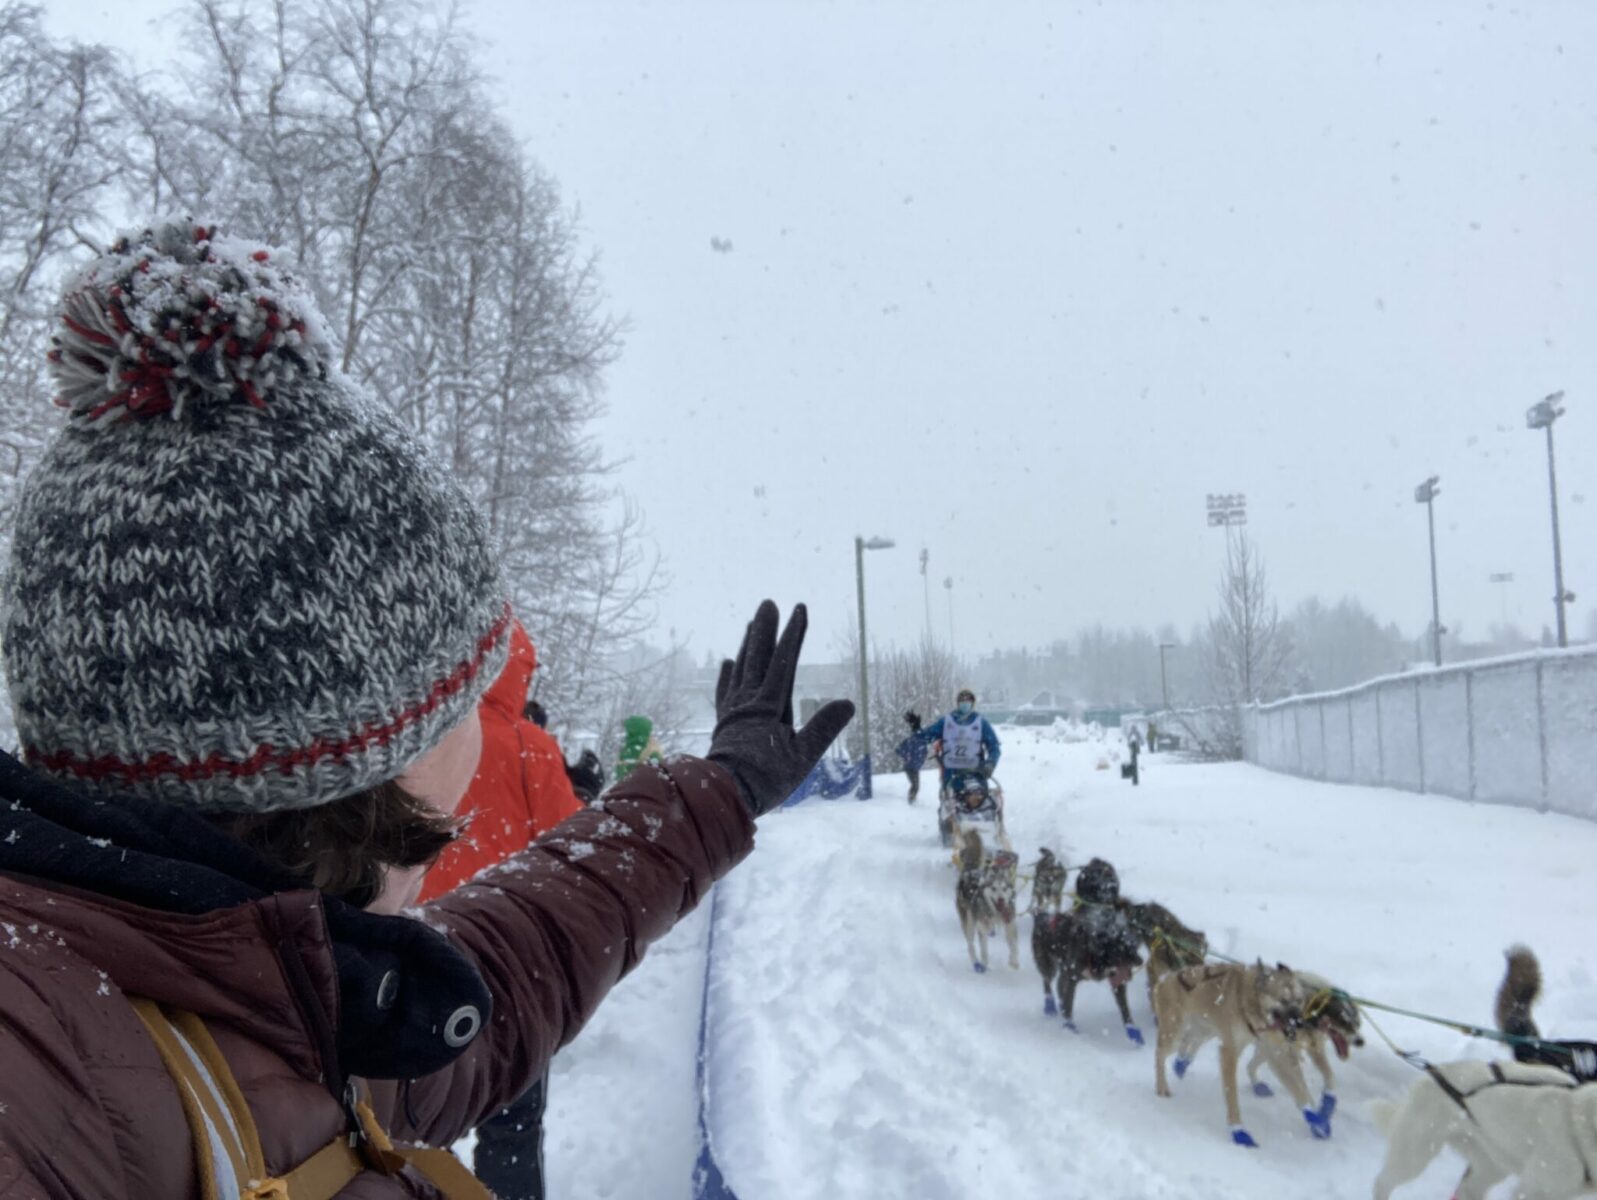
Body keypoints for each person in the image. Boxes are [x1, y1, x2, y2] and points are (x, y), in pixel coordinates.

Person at [0, 221, 854, 1198]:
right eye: (466, 690)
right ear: (372, 741)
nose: (486, 725)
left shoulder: (280, 992)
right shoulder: (40, 1064)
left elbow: (523, 944)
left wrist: (719, 790)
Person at [406, 618, 582, 1200]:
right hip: (512, 959)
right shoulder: (530, 747)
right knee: (513, 1124)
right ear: (518, 669)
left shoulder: (412, 736)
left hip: (414, 956)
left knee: (414, 1126)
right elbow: (566, 846)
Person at [614, 714, 665, 782]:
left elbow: (654, 777)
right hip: (628, 790)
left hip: (638, 790)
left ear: (633, 731)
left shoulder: (650, 750)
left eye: (628, 730)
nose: (626, 733)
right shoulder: (628, 748)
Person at [896, 709, 928, 804]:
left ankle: (912, 801)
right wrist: (906, 756)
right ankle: (910, 803)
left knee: (916, 786)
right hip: (910, 767)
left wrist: (923, 757)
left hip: (915, 767)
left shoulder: (920, 739)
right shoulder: (912, 740)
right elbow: (898, 750)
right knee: (915, 786)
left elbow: (924, 751)